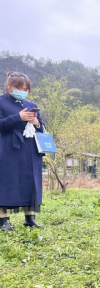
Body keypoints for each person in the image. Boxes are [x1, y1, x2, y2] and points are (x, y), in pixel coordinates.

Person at [0, 72, 44, 231]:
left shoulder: (31, 104)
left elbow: (42, 129)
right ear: (8, 86)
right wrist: (18, 117)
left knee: (30, 181)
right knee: (5, 182)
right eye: (19, 87)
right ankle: (2, 220)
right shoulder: (1, 102)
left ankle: (30, 218)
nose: (23, 91)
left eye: (26, 89)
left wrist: (36, 122)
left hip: (30, 151)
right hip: (8, 149)